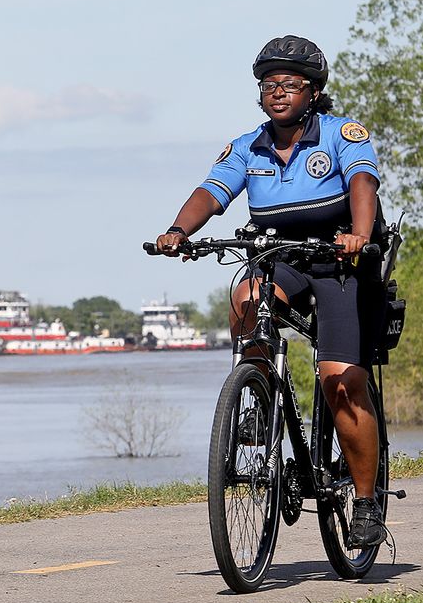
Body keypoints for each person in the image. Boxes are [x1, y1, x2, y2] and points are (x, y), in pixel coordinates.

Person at [154, 34, 387, 548]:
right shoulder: (247, 147)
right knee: (244, 298)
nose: (277, 93)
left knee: (341, 382)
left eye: (289, 84)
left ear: (312, 91)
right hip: (281, 259)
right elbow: (212, 192)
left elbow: (362, 186)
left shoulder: (340, 135)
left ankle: (367, 502)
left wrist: (360, 235)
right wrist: (178, 231)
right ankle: (258, 394)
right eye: (267, 85)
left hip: (337, 263)